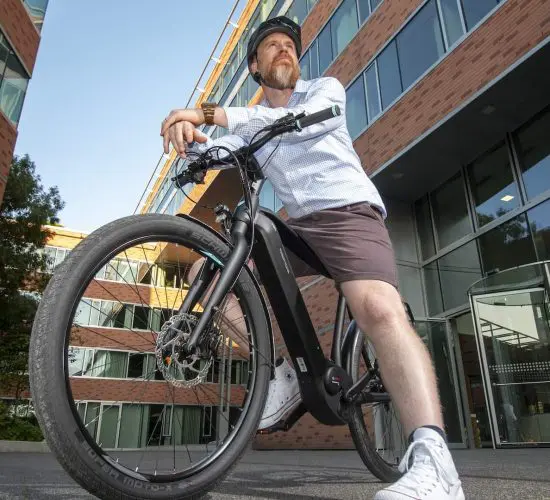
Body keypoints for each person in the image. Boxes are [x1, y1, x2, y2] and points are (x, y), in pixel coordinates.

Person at [160, 16, 465, 500]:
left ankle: (433, 460)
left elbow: (271, 122)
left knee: (379, 310)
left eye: (290, 46)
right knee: (207, 266)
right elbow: (220, 149)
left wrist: (207, 113)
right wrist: (187, 140)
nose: (285, 51)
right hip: (301, 229)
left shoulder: (325, 91)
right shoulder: (253, 122)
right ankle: (278, 371)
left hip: (349, 215)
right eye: (272, 47)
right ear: (256, 67)